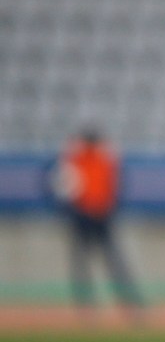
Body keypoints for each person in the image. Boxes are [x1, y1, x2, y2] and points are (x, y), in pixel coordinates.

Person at [55, 127, 144, 317]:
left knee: (109, 261)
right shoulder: (80, 159)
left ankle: (125, 302)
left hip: (98, 215)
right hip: (87, 215)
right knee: (89, 262)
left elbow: (112, 185)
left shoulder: (94, 159)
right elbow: (67, 188)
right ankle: (90, 305)